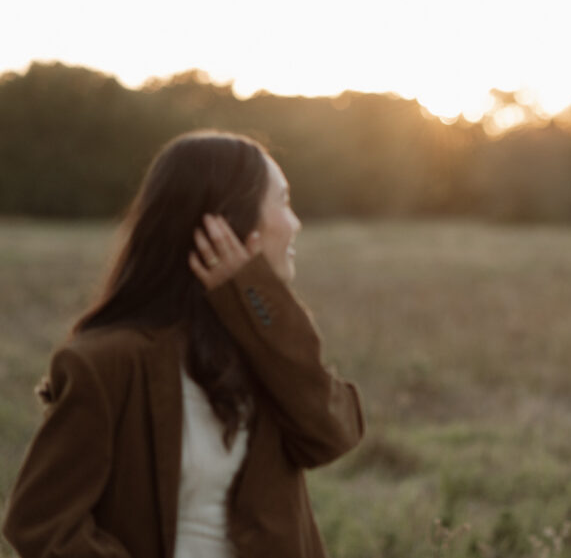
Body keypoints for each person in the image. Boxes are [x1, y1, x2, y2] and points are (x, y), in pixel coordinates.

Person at [3, 130, 364, 558]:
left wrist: (253, 296)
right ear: (229, 222)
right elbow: (40, 522)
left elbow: (331, 434)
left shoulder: (268, 353)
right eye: (284, 201)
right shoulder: (107, 363)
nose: (296, 223)